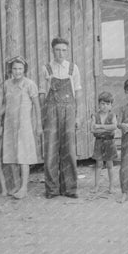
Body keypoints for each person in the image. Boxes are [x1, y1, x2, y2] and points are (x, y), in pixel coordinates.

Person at [39, 37, 82, 199]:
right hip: (51, 110)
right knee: (50, 149)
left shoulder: (73, 68)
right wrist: (44, 114)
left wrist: (78, 115)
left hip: (69, 110)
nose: (61, 53)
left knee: (69, 149)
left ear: (67, 51)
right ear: (52, 50)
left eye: (64, 50)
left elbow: (78, 93)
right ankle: (51, 189)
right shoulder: (46, 68)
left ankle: (70, 188)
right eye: (58, 50)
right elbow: (42, 93)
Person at [2, 56, 42, 199]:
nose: (17, 71)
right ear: (10, 70)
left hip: (24, 125)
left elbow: (37, 106)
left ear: (24, 70)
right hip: (9, 124)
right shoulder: (7, 84)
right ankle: (16, 185)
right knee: (12, 155)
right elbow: (5, 105)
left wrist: (39, 125)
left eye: (20, 69)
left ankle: (24, 188)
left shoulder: (30, 84)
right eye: (14, 68)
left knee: (24, 155)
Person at [91, 91, 118, 194]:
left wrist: (101, 127)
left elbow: (114, 127)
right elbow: (93, 130)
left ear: (111, 105)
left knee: (110, 165)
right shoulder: (95, 115)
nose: (105, 106)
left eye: (107, 104)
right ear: (99, 104)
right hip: (98, 143)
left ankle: (111, 186)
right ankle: (96, 186)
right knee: (98, 164)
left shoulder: (112, 115)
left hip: (109, 143)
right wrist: (107, 129)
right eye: (102, 104)